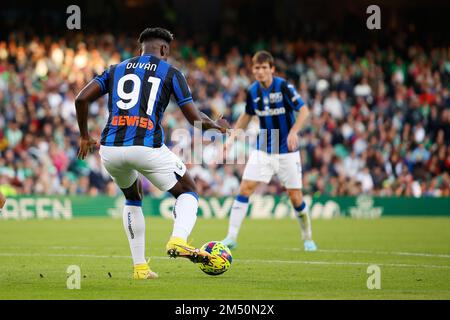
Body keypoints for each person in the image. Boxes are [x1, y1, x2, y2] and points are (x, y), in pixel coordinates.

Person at [75, 27, 229, 279]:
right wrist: (215, 125)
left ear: (140, 48)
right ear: (165, 49)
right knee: (187, 191)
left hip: (110, 150)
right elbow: (193, 118)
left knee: (132, 197)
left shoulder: (115, 69)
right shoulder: (171, 72)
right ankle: (178, 239)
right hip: (146, 147)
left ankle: (140, 268)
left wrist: (84, 135)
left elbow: (81, 99)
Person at [222, 51, 317, 251]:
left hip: (287, 151)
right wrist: (231, 138)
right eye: (257, 68)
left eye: (264, 67)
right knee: (245, 188)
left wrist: (293, 131)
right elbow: (247, 116)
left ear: (272, 69)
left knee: (295, 197)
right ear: (253, 70)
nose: (260, 71)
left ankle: (307, 237)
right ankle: (231, 237)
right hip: (263, 148)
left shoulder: (283, 86)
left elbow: (304, 110)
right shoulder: (252, 91)